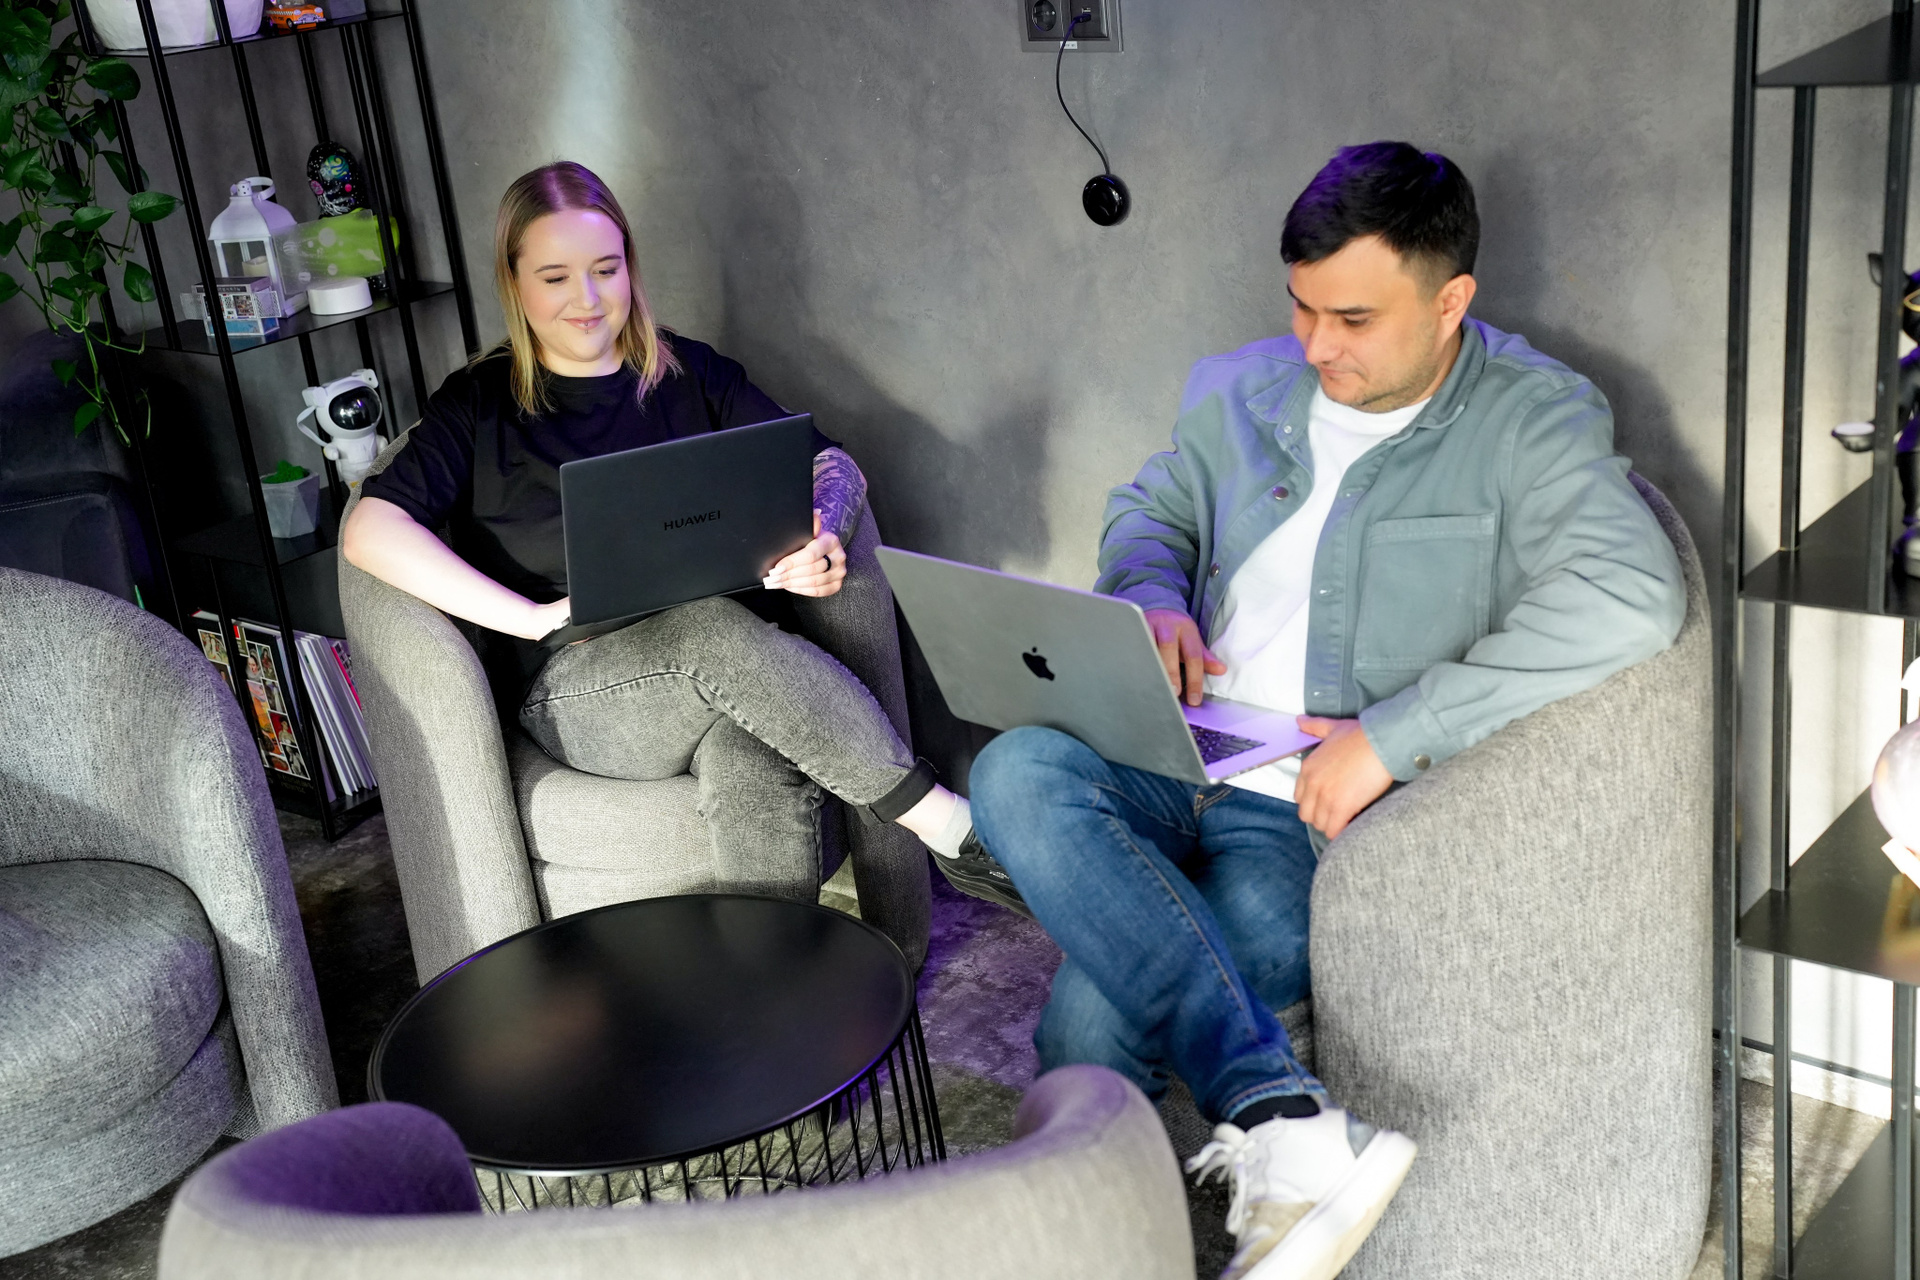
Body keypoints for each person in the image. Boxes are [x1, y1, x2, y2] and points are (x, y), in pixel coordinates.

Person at [965, 142, 1686, 1280]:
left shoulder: (1531, 417)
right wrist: (1151, 597)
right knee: (1013, 767)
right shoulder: (1238, 388)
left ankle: (1115, 1232)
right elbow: (1150, 508)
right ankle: (1285, 1119)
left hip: (1297, 803)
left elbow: (1633, 594)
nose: (1315, 345)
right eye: (1301, 307)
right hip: (1173, 742)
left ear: (1450, 301)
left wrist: (1395, 734)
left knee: (1086, 1027)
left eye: (1352, 318)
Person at [340, 161, 983, 957]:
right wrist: (529, 617)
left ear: (630, 268)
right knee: (708, 628)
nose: (586, 298)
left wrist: (823, 531)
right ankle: (945, 823)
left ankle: (773, 997)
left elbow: (829, 461)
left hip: (738, 672)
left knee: (758, 757)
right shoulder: (478, 405)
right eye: (555, 277)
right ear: (513, 281)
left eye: (606, 269)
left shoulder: (687, 371)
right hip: (582, 691)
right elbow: (369, 529)